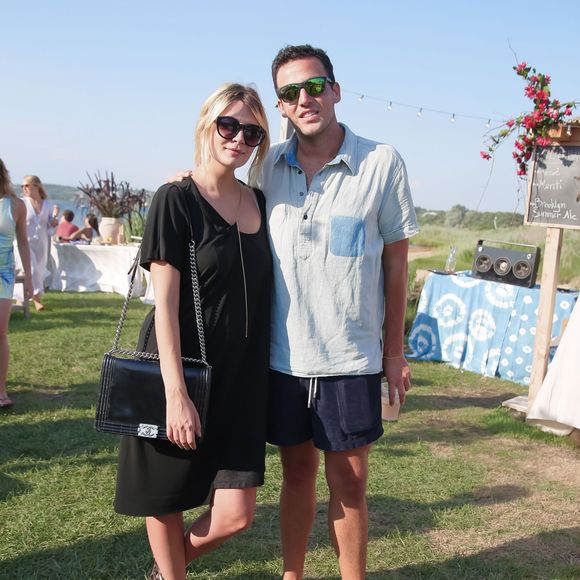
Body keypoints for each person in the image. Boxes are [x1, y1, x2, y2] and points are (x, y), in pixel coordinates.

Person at [254, 45, 419, 579]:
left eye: (315, 85)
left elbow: (397, 268)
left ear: (336, 90)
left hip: (351, 360)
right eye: (290, 92)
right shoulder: (266, 169)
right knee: (296, 475)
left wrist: (393, 353)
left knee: (349, 484)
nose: (305, 99)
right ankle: (293, 575)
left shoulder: (381, 162)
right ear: (279, 106)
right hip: (283, 358)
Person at [114, 83, 271, 580]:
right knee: (167, 493)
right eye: (228, 125)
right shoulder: (175, 199)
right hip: (177, 364)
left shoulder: (261, 202)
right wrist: (174, 392)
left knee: (236, 515)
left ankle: (165, 572)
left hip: (243, 376)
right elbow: (165, 303)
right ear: (207, 125)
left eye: (251, 131)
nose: (238, 139)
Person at [0, 159, 32, 408]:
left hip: (4, 275)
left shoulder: (16, 205)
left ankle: (0, 389)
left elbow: (23, 242)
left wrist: (29, 277)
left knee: (1, 332)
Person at [21, 175, 58, 311]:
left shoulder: (47, 204)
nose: (24, 188)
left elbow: (49, 228)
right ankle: (36, 299)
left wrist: (54, 221)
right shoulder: (22, 203)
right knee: (31, 269)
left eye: (27, 185)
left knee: (39, 270)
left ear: (36, 186)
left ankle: (22, 299)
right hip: (24, 242)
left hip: (41, 243)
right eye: (22, 186)